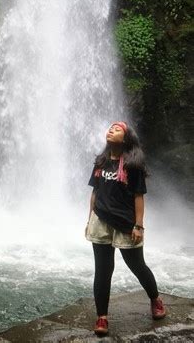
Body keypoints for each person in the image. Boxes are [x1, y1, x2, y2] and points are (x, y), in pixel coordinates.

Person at [85, 121, 166, 337]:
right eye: (110, 127)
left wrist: (139, 225)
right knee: (103, 270)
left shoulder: (132, 165)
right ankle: (102, 316)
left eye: (117, 128)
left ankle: (155, 299)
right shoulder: (101, 162)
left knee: (137, 265)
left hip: (126, 224)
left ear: (127, 137)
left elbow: (139, 196)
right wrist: (89, 219)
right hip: (100, 221)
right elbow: (94, 192)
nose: (111, 129)